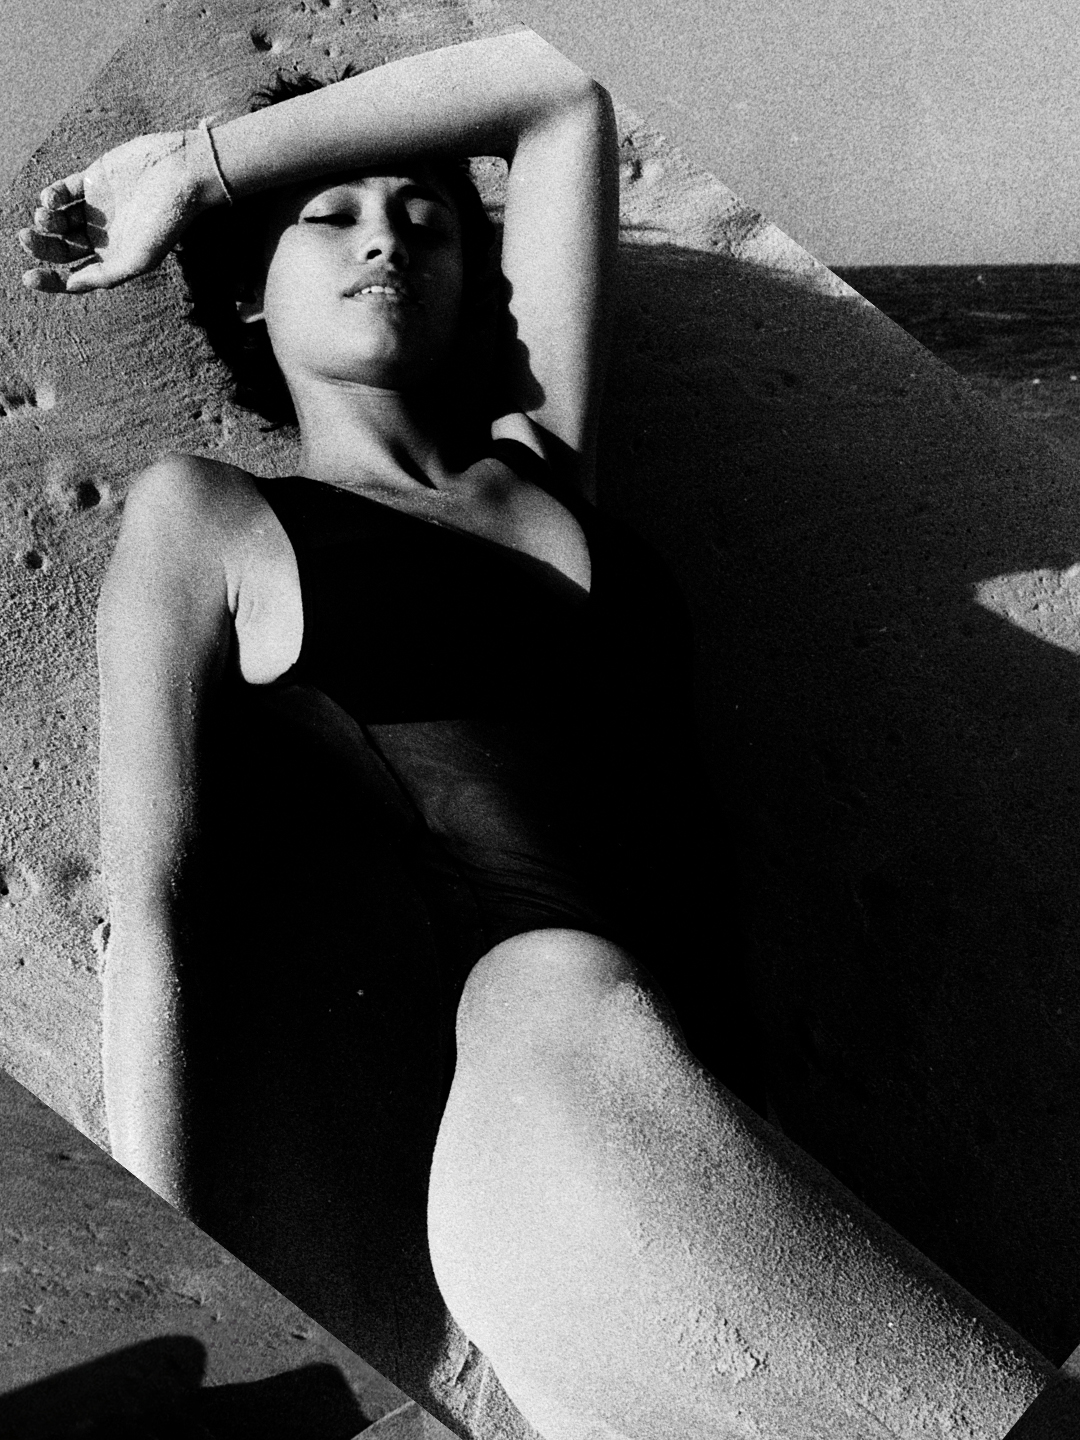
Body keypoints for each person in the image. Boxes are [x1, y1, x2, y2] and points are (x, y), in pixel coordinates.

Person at [18, 28, 1078, 1439]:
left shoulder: (546, 462)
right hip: (551, 1120)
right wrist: (196, 1291)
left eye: (427, 219)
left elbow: (555, 93)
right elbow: (156, 916)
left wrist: (203, 167)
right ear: (252, 297)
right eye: (328, 218)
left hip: (720, 1134)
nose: (386, 239)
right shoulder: (211, 517)